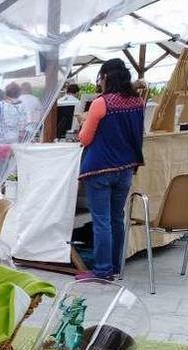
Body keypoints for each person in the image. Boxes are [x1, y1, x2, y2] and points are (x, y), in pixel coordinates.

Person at [76, 59, 145, 281]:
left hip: (99, 169)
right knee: (116, 218)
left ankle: (102, 270)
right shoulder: (138, 102)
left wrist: (84, 124)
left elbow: (85, 138)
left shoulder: (101, 103)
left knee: (102, 220)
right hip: (125, 168)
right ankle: (115, 266)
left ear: (105, 77)